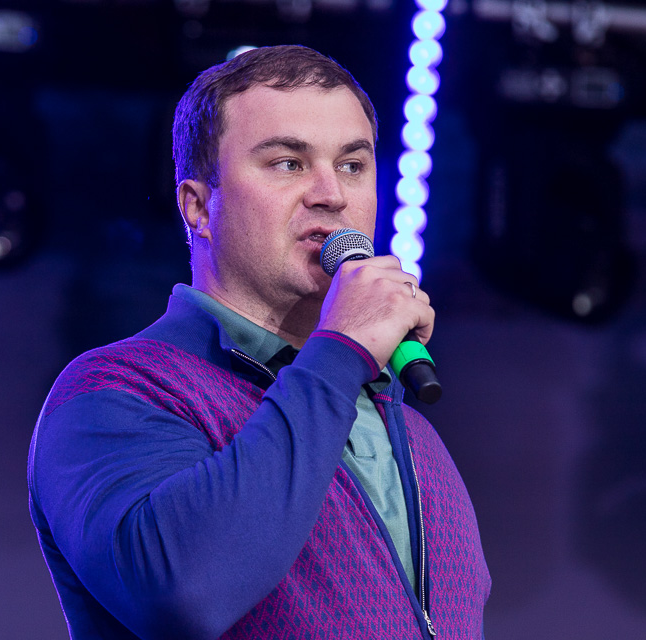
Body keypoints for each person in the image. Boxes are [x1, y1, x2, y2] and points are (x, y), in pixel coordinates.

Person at [28, 44, 491, 640]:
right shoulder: (120, 390)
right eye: (289, 163)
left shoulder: (411, 433)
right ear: (198, 206)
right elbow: (183, 591)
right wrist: (342, 350)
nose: (331, 193)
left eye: (352, 165)